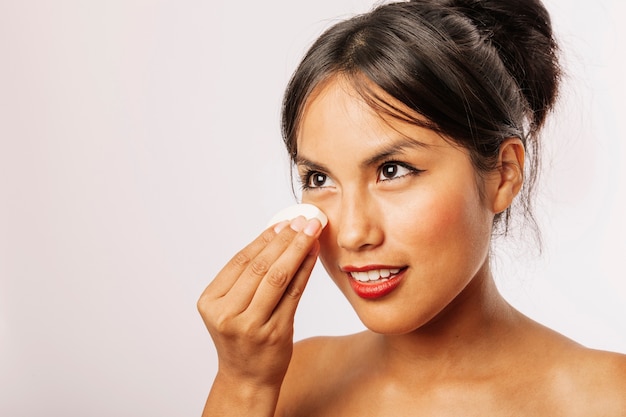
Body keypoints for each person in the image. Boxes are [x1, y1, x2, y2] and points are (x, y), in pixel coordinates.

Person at [197, 0, 626, 415]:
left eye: (392, 170)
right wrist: (242, 386)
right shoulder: (284, 383)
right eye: (319, 179)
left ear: (504, 174)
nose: (351, 233)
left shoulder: (608, 398)